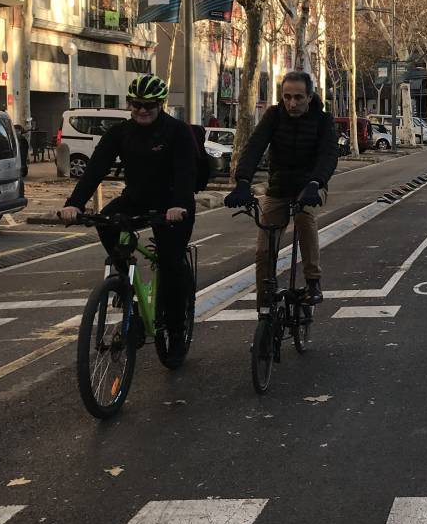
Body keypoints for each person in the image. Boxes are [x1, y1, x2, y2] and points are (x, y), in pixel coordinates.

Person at [59, 75, 197, 349]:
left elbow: (185, 172)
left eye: (148, 105)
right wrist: (74, 203)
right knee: (106, 222)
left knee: (170, 264)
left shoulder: (177, 131)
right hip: (136, 198)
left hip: (173, 203)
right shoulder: (120, 132)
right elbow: (95, 169)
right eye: (136, 105)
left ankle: (177, 330)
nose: (142, 110)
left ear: (160, 105)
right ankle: (124, 280)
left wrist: (178, 204)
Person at [224, 71, 339, 306]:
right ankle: (265, 301)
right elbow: (255, 146)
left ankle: (313, 281)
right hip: (278, 187)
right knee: (264, 248)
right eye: (287, 97)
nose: (292, 103)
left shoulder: (323, 120)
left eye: (298, 97)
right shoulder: (273, 116)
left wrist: (316, 183)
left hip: (312, 186)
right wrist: (243, 181)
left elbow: (328, 155)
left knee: (304, 218)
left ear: (309, 97)